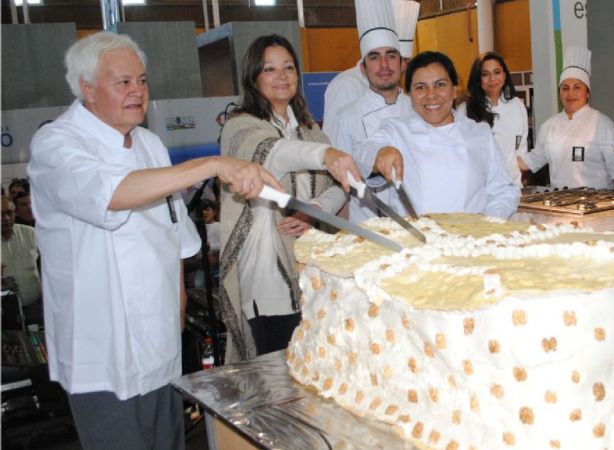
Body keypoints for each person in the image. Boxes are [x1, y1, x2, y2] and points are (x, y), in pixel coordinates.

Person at [28, 32, 282, 450]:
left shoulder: (150, 144)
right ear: (87, 89)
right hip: (102, 352)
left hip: (160, 343)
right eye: (123, 82)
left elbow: (174, 235)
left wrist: (178, 303)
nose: (137, 91)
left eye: (142, 81)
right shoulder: (57, 143)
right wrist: (213, 164)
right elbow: (112, 194)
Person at [219, 34, 361, 360]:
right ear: (253, 77)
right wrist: (325, 155)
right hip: (267, 276)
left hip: (312, 276)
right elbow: (275, 154)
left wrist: (316, 209)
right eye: (269, 69)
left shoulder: (309, 130)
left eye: (288, 67)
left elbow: (339, 187)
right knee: (277, 371)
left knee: (316, 365)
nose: (281, 76)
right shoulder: (239, 127)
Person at [354, 51, 520, 218]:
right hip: (415, 234)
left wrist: (484, 223)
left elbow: (504, 191)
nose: (431, 94)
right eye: (420, 87)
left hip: (471, 233)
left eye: (440, 85)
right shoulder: (396, 130)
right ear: (410, 95)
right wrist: (381, 153)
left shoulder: (480, 133)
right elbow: (363, 154)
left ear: (454, 89)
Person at [326, 0, 413, 223]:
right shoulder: (346, 117)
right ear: (363, 68)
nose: (384, 65)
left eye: (391, 55)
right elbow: (336, 181)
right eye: (374, 57)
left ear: (402, 64)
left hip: (418, 220)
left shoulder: (418, 110)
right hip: (368, 227)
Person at [518, 46, 614, 191]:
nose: (570, 94)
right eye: (565, 88)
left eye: (577, 87)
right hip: (559, 201)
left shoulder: (603, 125)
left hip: (597, 202)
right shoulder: (549, 126)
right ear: (559, 93)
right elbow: (533, 160)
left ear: (587, 93)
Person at [459, 51, 528, 188]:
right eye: (485, 74)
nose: (492, 79)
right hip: (480, 190)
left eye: (497, 72)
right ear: (478, 79)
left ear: (504, 75)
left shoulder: (517, 105)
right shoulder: (465, 110)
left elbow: (521, 149)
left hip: (513, 188)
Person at [1, 196, 42, 325]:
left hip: (35, 307)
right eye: (1, 214)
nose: (6, 218)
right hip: (4, 313)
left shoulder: (31, 234)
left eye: (9, 213)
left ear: (16, 213)